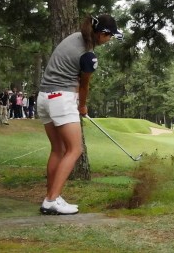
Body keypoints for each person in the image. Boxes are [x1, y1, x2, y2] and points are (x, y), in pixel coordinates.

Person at [37, 14, 122, 215]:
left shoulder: (74, 37)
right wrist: (82, 105)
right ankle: (50, 201)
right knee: (75, 149)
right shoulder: (88, 56)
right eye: (109, 37)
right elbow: (84, 84)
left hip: (44, 98)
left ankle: (52, 196)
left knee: (58, 149)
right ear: (102, 34)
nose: (109, 41)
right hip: (61, 98)